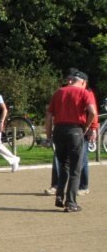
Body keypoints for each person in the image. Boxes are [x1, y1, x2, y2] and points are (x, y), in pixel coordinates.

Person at [45, 70, 97, 212]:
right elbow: (92, 111)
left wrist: (49, 136)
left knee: (64, 166)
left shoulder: (59, 92)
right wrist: (87, 126)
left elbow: (48, 116)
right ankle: (71, 202)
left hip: (59, 131)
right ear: (83, 82)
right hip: (75, 130)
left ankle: (59, 196)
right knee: (75, 169)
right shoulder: (84, 93)